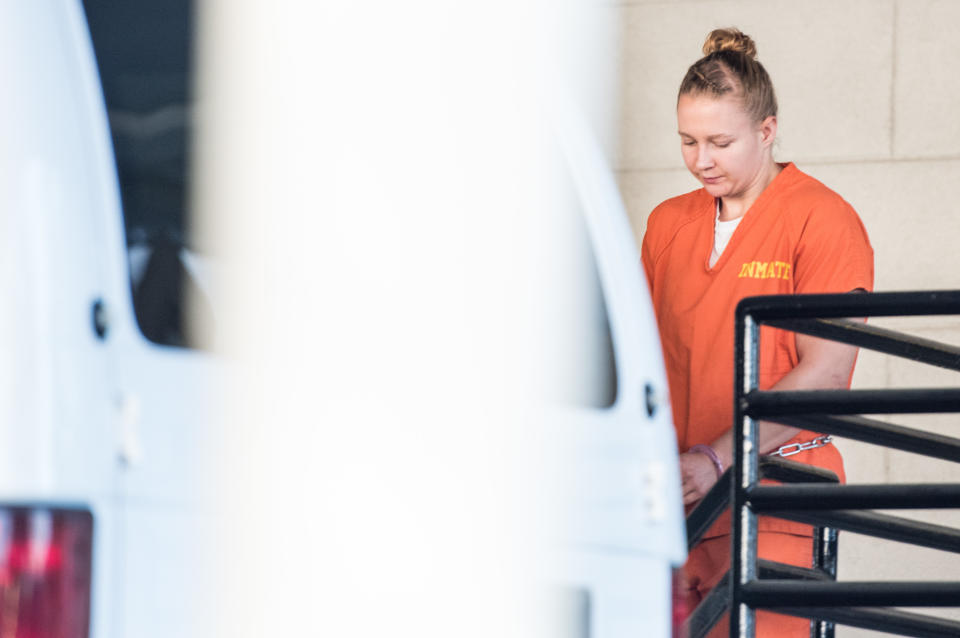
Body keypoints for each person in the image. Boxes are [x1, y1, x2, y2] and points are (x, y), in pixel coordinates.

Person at [640, 27, 874, 637]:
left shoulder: (822, 221)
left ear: (767, 132)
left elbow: (824, 373)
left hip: (771, 501)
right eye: (688, 141)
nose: (701, 160)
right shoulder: (667, 224)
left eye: (720, 142)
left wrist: (717, 457)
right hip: (674, 507)